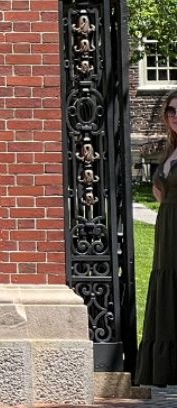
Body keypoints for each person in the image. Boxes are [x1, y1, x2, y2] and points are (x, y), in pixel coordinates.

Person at [138, 91, 177, 387]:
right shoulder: (169, 151)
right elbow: (159, 192)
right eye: (171, 111)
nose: (175, 116)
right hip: (167, 227)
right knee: (167, 287)